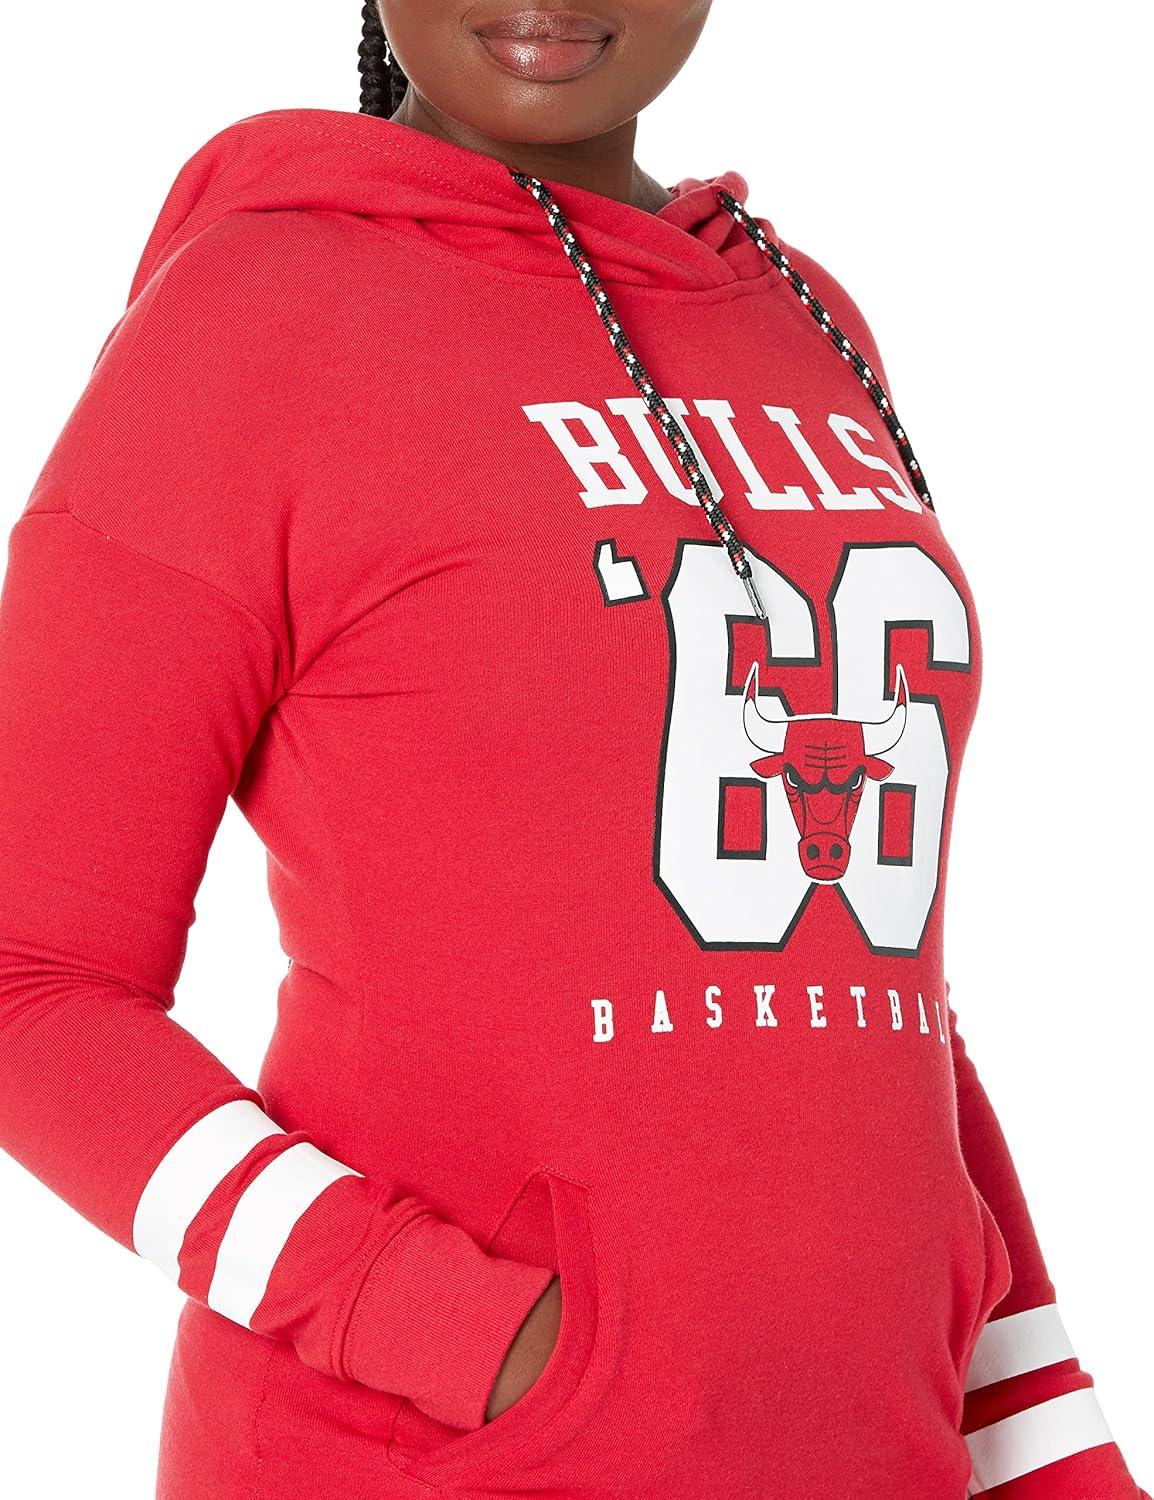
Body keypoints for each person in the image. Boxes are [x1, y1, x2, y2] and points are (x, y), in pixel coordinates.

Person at [0, 3, 1146, 1497]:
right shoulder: (257, 318)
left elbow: (869, 978)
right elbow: (30, 978)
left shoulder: (807, 322)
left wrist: (1046, 1443)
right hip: (431, 1463)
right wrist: (458, 1331)